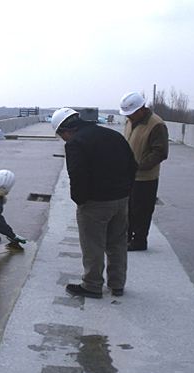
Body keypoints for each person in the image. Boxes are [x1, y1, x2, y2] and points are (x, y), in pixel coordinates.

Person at [52, 108, 138, 299]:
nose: (63, 139)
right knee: (117, 244)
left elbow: (77, 176)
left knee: (93, 245)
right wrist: (125, 192)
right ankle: (117, 284)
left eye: (61, 136)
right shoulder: (113, 135)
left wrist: (80, 201)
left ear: (66, 130)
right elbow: (133, 165)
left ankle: (92, 285)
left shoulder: (75, 143)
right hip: (121, 200)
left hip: (95, 203)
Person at [119, 92, 169, 251]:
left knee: (142, 210)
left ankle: (139, 241)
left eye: (131, 113)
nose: (129, 117)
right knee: (127, 209)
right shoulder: (129, 121)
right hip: (128, 175)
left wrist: (138, 166)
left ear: (141, 109)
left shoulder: (156, 125)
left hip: (146, 178)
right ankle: (126, 237)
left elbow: (160, 152)